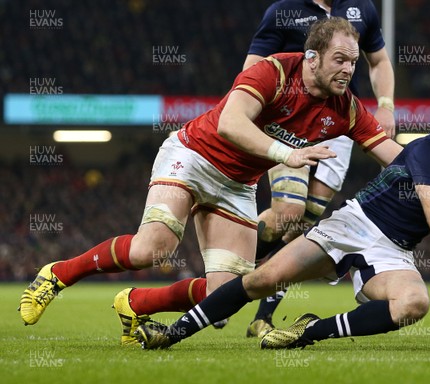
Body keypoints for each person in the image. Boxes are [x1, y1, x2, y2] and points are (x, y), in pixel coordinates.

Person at [18, 17, 401, 346]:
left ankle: (135, 304)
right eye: (340, 60)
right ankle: (58, 274)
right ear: (312, 58)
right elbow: (229, 123)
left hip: (237, 185)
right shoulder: (274, 71)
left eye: (353, 62)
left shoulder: (345, 108)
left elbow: (394, 155)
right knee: (150, 250)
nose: (349, 70)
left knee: (224, 295)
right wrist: (287, 155)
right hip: (194, 157)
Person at [135, 80, 430, 350]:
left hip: (394, 251)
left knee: (412, 304)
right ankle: (174, 332)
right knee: (263, 278)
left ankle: (309, 332)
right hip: (353, 225)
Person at [243, 0, 396, 338]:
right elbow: (252, 68)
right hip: (292, 120)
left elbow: (379, 60)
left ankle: (262, 316)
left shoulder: (362, 8)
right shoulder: (284, 10)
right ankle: (226, 275)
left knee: (304, 226)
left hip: (336, 126)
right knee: (287, 212)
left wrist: (385, 105)